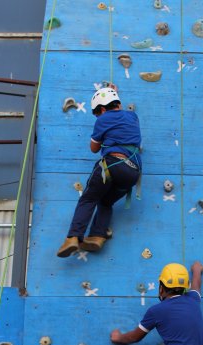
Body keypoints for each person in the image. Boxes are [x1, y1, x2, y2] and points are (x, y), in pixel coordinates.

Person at [57, 84, 142, 257]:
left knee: (88, 199)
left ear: (102, 109)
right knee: (105, 202)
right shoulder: (133, 116)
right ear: (117, 103)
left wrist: (102, 128)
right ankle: (97, 236)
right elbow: (119, 113)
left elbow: (94, 148)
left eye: (97, 113)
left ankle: (73, 237)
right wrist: (114, 93)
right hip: (132, 173)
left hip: (112, 165)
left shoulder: (102, 119)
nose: (98, 116)